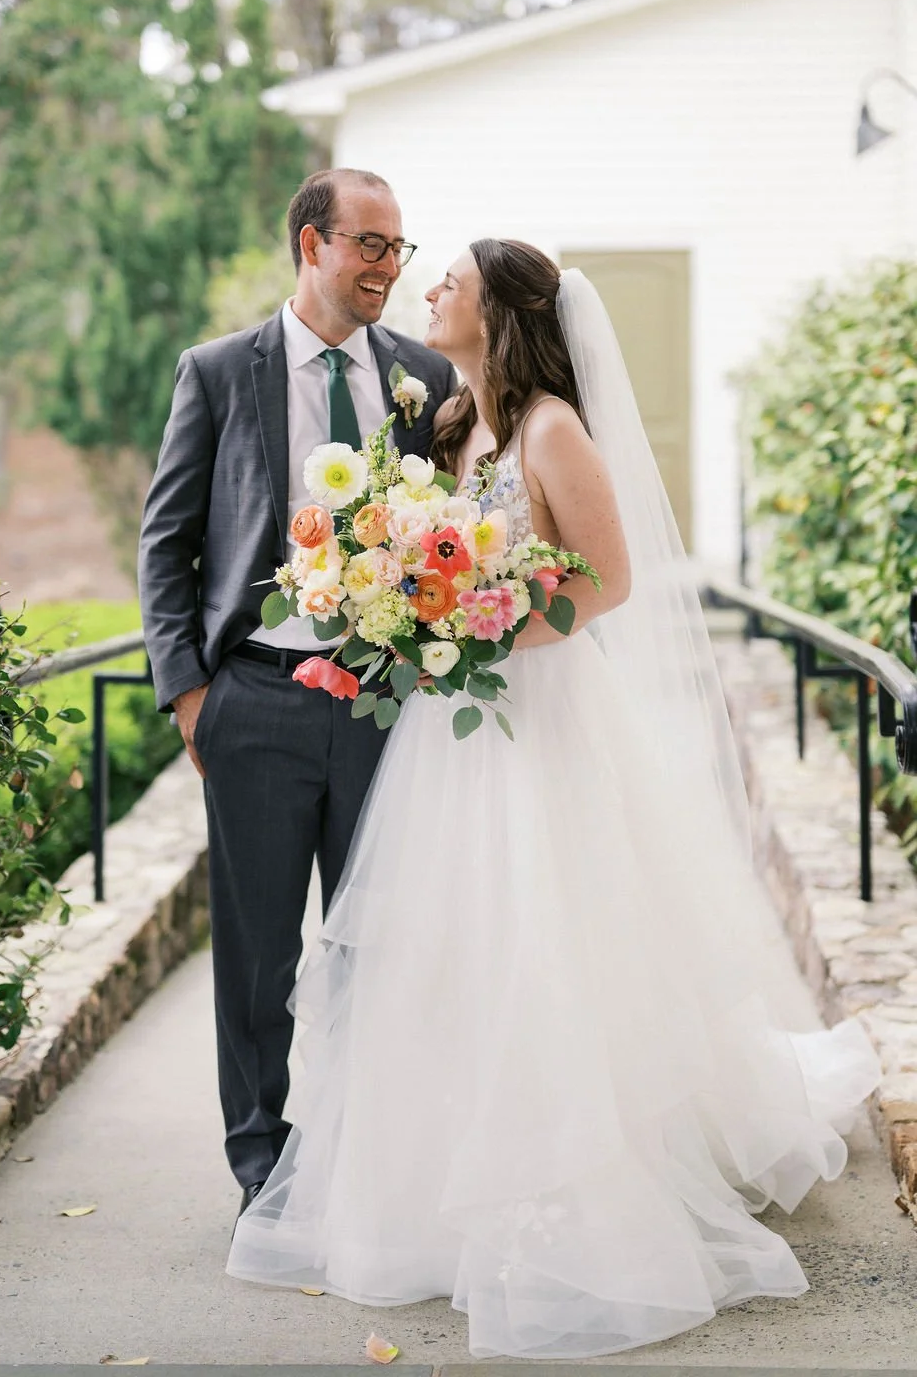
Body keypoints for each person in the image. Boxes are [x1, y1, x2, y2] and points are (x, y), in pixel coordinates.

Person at [226, 239, 881, 1359]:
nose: (431, 288)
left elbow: (608, 580)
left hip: (535, 719)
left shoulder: (551, 430)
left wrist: (476, 639)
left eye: (452, 283)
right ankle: (438, 1184)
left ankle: (574, 1173)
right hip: (451, 735)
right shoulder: (448, 427)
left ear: (502, 312)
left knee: (546, 940)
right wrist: (412, 616)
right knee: (446, 950)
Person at [137, 168, 456, 1227]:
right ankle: (261, 1173)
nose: (388, 269)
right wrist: (189, 694)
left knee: (379, 944)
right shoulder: (221, 371)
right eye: (371, 245)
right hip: (258, 704)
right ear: (310, 245)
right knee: (259, 954)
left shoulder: (425, 376)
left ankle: (369, 1164)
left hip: (384, 706)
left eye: (398, 249)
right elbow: (167, 541)